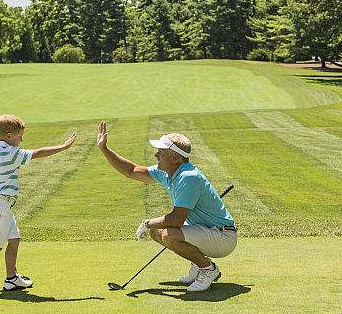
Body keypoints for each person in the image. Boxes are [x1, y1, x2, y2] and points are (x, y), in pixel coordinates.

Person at [96, 120, 237, 292]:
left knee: (169, 234)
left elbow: (176, 220)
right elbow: (131, 170)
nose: (156, 155)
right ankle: (199, 263)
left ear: (174, 157)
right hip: (206, 230)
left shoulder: (188, 177)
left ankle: (208, 269)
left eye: (161, 152)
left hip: (222, 237)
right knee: (156, 232)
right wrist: (104, 149)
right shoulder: (168, 172)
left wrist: (147, 223)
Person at [0, 114, 77, 294]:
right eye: (19, 136)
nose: (22, 139)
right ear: (9, 136)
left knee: (14, 239)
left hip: (0, 204)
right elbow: (38, 153)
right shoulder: (12, 153)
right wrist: (63, 147)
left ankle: (11, 279)